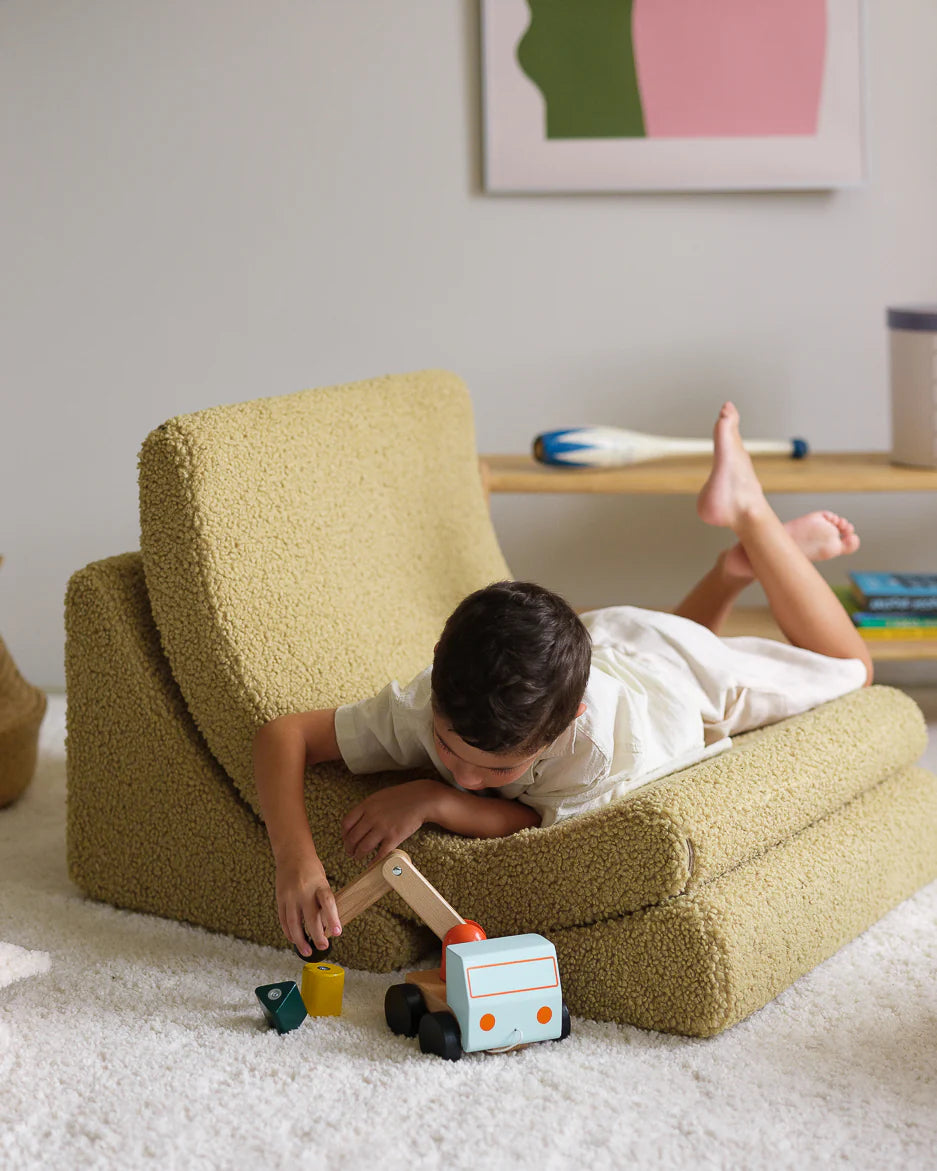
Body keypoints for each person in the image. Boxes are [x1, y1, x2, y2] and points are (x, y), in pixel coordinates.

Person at [254, 402, 873, 957]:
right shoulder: (436, 695)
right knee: (662, 644)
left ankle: (750, 515)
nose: (468, 776)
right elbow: (285, 735)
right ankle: (737, 567)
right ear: (437, 675)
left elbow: (530, 822)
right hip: (606, 640)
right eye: (446, 748)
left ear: (569, 722)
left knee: (852, 671)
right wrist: (295, 858)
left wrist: (434, 797)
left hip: (682, 677)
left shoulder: (596, 755)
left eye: (499, 771)